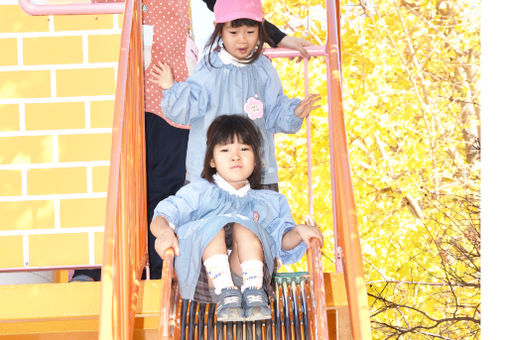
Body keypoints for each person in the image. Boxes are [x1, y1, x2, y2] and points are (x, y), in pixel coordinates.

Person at [150, 115, 323, 321]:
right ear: (211, 160)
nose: (235, 156)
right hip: (205, 278)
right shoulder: (198, 193)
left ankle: (254, 292)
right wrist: (165, 232)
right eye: (225, 150)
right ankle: (226, 291)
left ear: (256, 156)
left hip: (248, 275)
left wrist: (297, 232)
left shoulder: (270, 201)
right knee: (215, 227)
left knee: (244, 227)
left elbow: (282, 242)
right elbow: (164, 215)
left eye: (244, 149)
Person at [149, 0, 321, 192]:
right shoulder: (209, 67)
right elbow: (190, 107)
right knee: (214, 221)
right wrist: (171, 88)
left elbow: (274, 113)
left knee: (253, 221)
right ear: (219, 29)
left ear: (260, 29)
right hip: (211, 175)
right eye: (234, 33)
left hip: (255, 174)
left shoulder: (264, 69)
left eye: (250, 32)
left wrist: (294, 113)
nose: (242, 40)